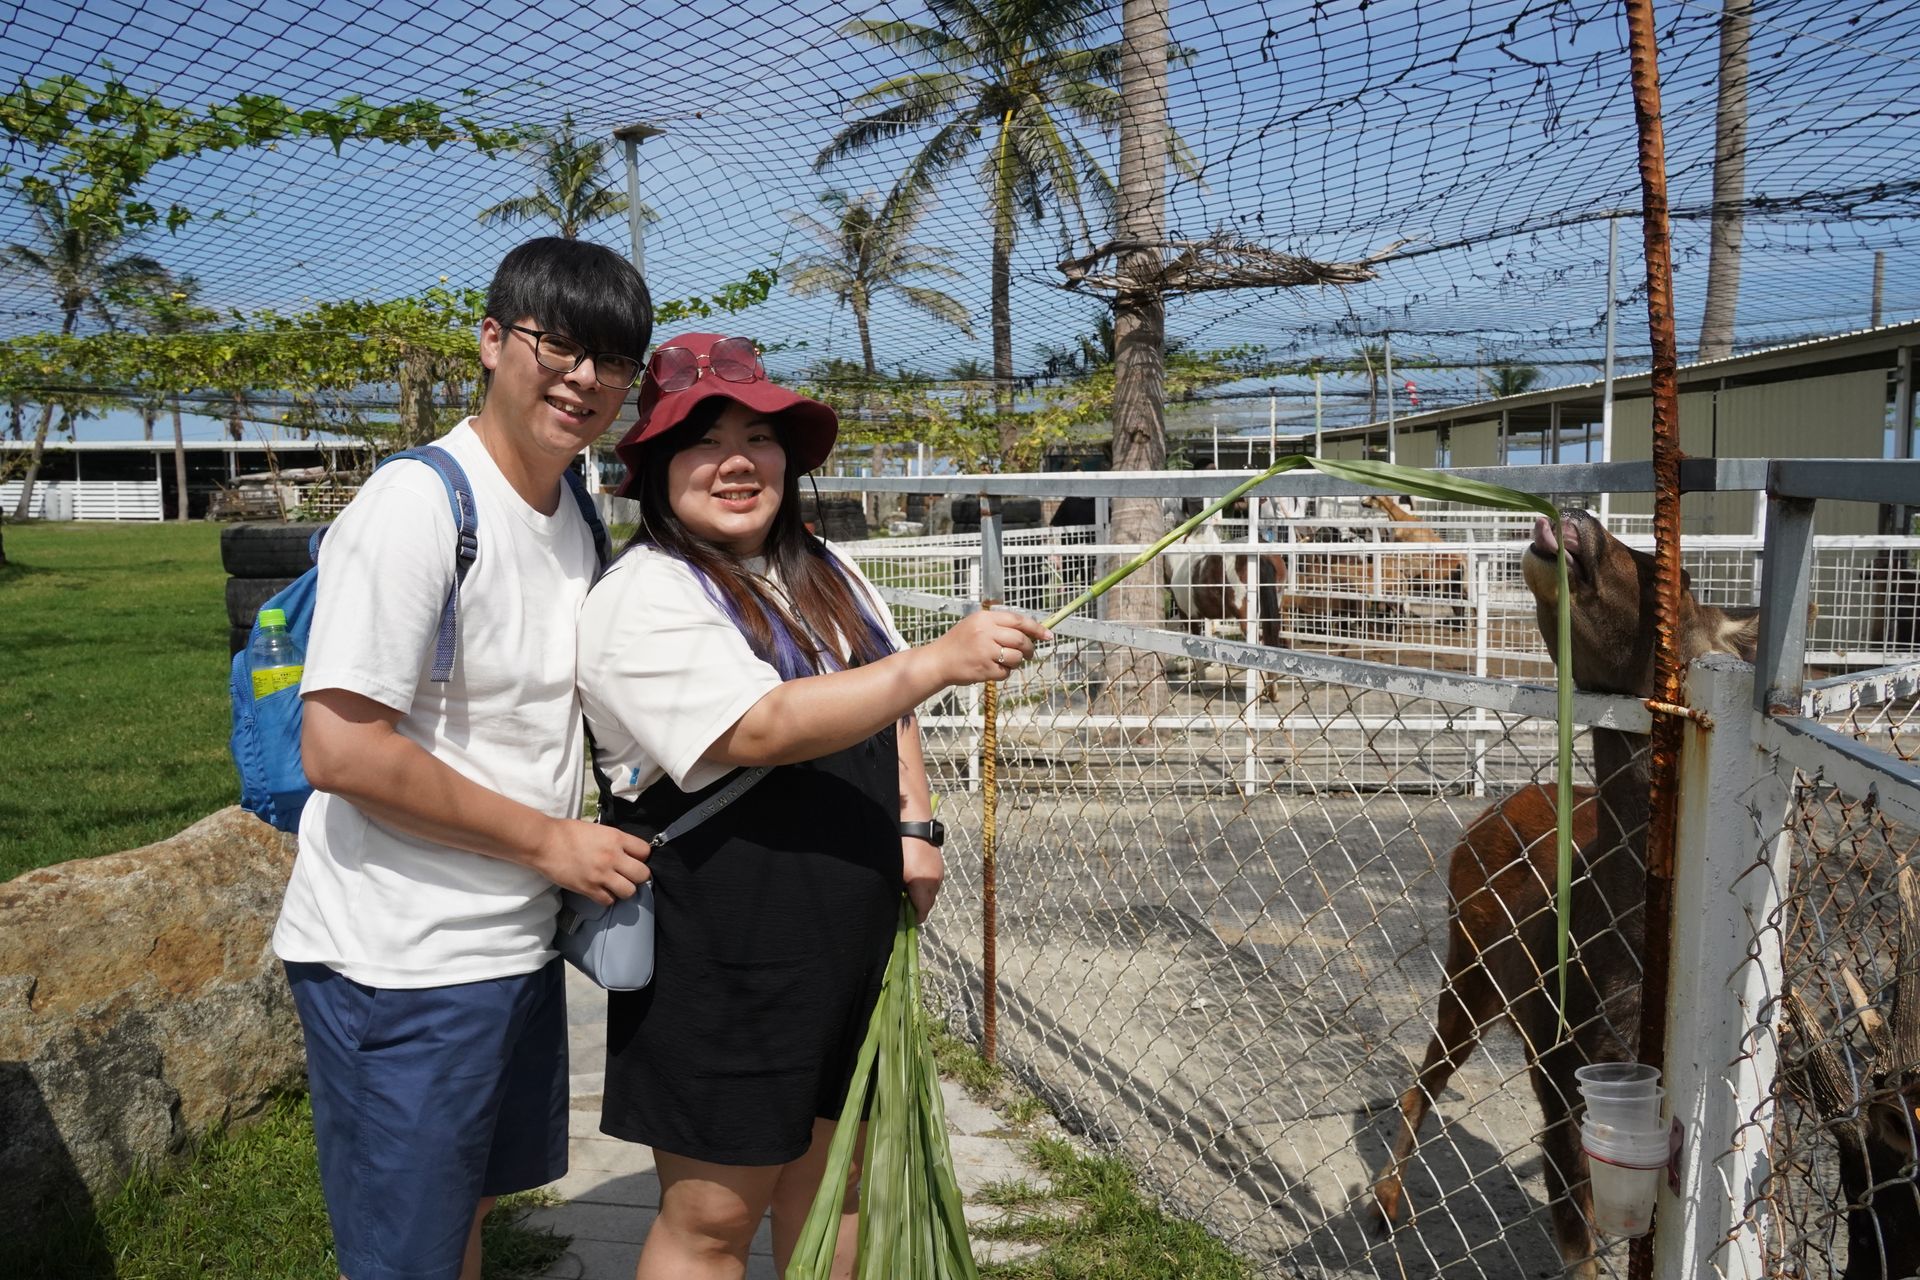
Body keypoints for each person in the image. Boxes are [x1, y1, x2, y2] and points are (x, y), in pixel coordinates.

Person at [576, 332, 1051, 1279]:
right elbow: (760, 727)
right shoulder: (645, 594)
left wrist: (915, 824)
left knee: (840, 1185)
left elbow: (886, 698)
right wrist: (939, 661)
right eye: (705, 441)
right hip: (726, 953)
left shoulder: (821, 566)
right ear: (657, 468)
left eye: (759, 437)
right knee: (713, 1217)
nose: (738, 462)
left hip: (848, 934)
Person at [271, 237, 656, 1280]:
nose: (584, 379)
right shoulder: (419, 504)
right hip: (400, 958)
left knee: (466, 1210)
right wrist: (549, 842)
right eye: (557, 346)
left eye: (612, 360)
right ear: (492, 341)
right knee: (407, 1250)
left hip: (512, 939)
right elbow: (341, 747)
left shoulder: (575, 512)